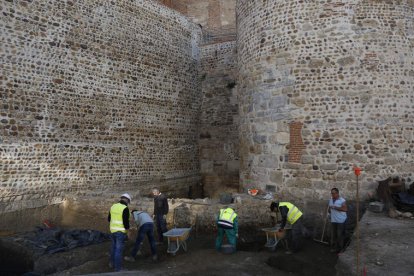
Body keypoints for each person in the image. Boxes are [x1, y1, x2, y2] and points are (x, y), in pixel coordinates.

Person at [108, 193, 131, 271]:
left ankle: (111, 263)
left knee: (113, 247)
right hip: (120, 232)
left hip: (112, 231)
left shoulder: (113, 206)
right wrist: (128, 232)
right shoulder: (125, 208)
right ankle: (118, 268)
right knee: (119, 250)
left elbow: (109, 219)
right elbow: (126, 223)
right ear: (127, 200)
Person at [328, 187, 347, 253]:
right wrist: (329, 213)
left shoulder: (342, 200)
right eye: (332, 193)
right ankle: (335, 248)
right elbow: (329, 208)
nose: (332, 195)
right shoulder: (330, 200)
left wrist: (335, 207)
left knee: (340, 235)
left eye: (334, 193)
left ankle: (341, 249)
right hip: (333, 220)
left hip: (341, 221)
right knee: (334, 235)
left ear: (337, 193)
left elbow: (345, 209)